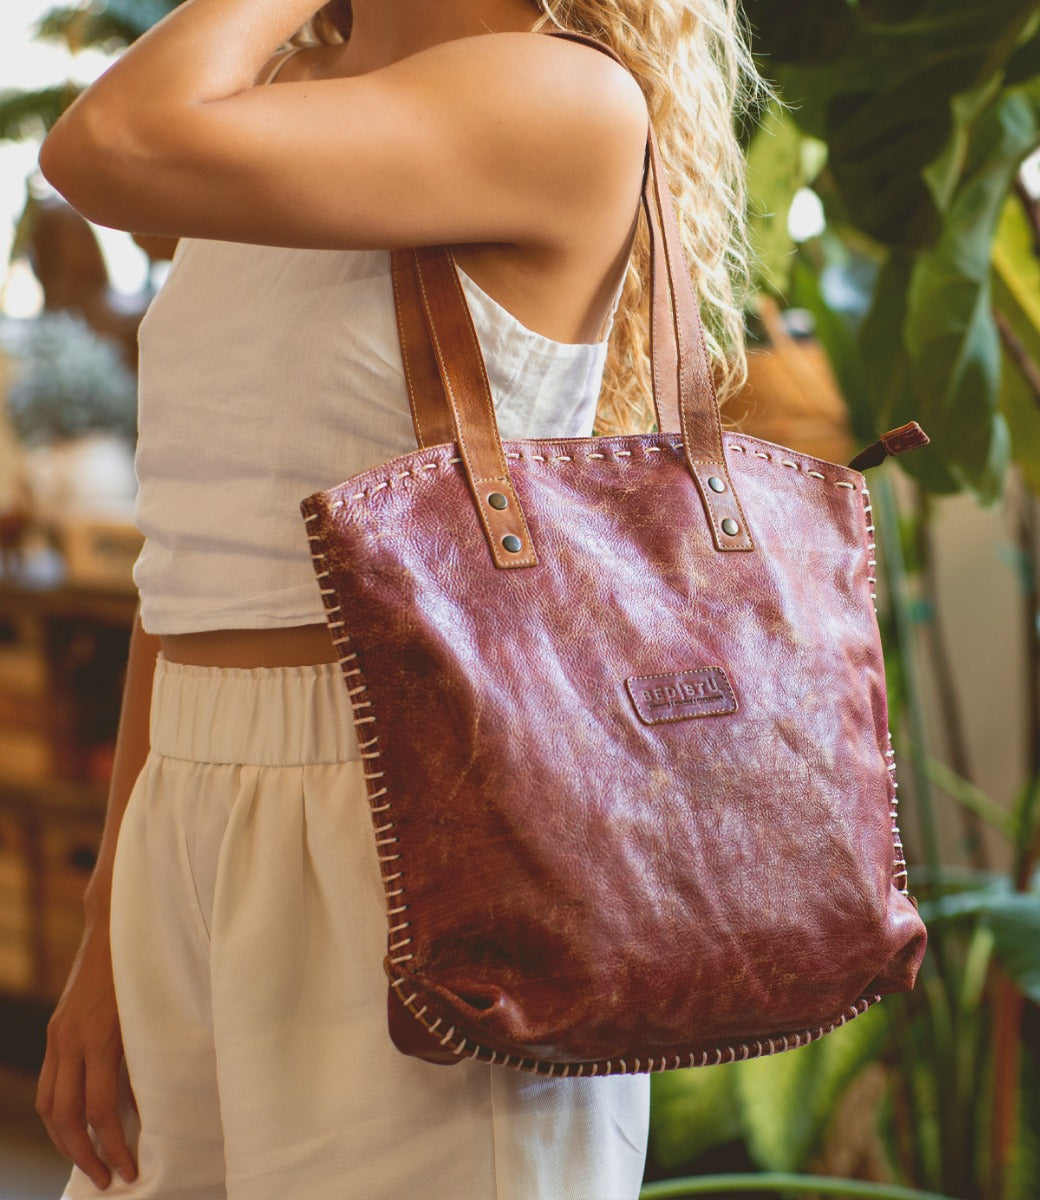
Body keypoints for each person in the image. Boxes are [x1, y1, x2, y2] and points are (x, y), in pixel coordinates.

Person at [35, 1, 765, 1196]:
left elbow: (105, 146)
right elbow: (196, 574)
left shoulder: (557, 95)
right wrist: (115, 935)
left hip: (420, 845)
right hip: (188, 827)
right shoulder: (275, 94)